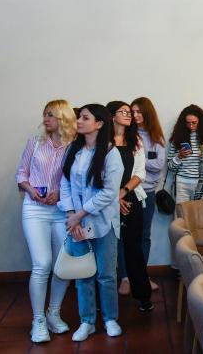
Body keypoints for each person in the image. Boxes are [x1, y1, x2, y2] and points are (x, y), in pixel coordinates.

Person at [59, 104, 124, 342]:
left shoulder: (110, 153)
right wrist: (71, 213)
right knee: (83, 274)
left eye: (85, 117)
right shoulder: (72, 150)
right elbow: (64, 184)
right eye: (79, 117)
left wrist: (80, 214)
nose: (79, 120)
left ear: (99, 124)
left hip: (103, 223)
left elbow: (109, 193)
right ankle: (86, 321)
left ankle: (110, 319)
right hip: (76, 223)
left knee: (106, 274)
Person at [16, 100, 76, 343]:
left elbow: (77, 182)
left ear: (63, 117)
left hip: (62, 211)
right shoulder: (35, 142)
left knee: (62, 265)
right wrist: (30, 190)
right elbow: (21, 173)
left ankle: (54, 313)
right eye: (44, 115)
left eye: (50, 115)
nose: (45, 119)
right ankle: (38, 320)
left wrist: (60, 195)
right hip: (34, 209)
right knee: (42, 263)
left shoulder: (74, 147)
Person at [106, 101, 152, 312]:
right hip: (105, 201)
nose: (128, 114)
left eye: (129, 112)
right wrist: (112, 199)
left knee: (134, 248)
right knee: (106, 250)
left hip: (130, 198)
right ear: (111, 116)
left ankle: (143, 296)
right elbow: (99, 175)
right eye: (122, 111)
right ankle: (103, 302)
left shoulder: (136, 140)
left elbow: (140, 173)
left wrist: (121, 194)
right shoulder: (102, 141)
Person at [128, 97, 164, 293]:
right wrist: (143, 162)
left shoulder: (155, 136)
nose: (135, 115)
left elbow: (159, 165)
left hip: (148, 193)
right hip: (127, 193)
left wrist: (138, 161)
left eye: (139, 111)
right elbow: (124, 166)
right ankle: (126, 277)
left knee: (144, 236)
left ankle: (142, 276)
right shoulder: (126, 135)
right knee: (125, 237)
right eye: (132, 112)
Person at [166, 105, 203, 203]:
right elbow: (169, 166)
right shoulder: (177, 137)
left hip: (201, 184)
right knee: (181, 215)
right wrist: (179, 156)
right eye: (188, 123)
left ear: (200, 121)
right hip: (181, 182)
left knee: (198, 217)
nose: (191, 126)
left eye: (194, 123)